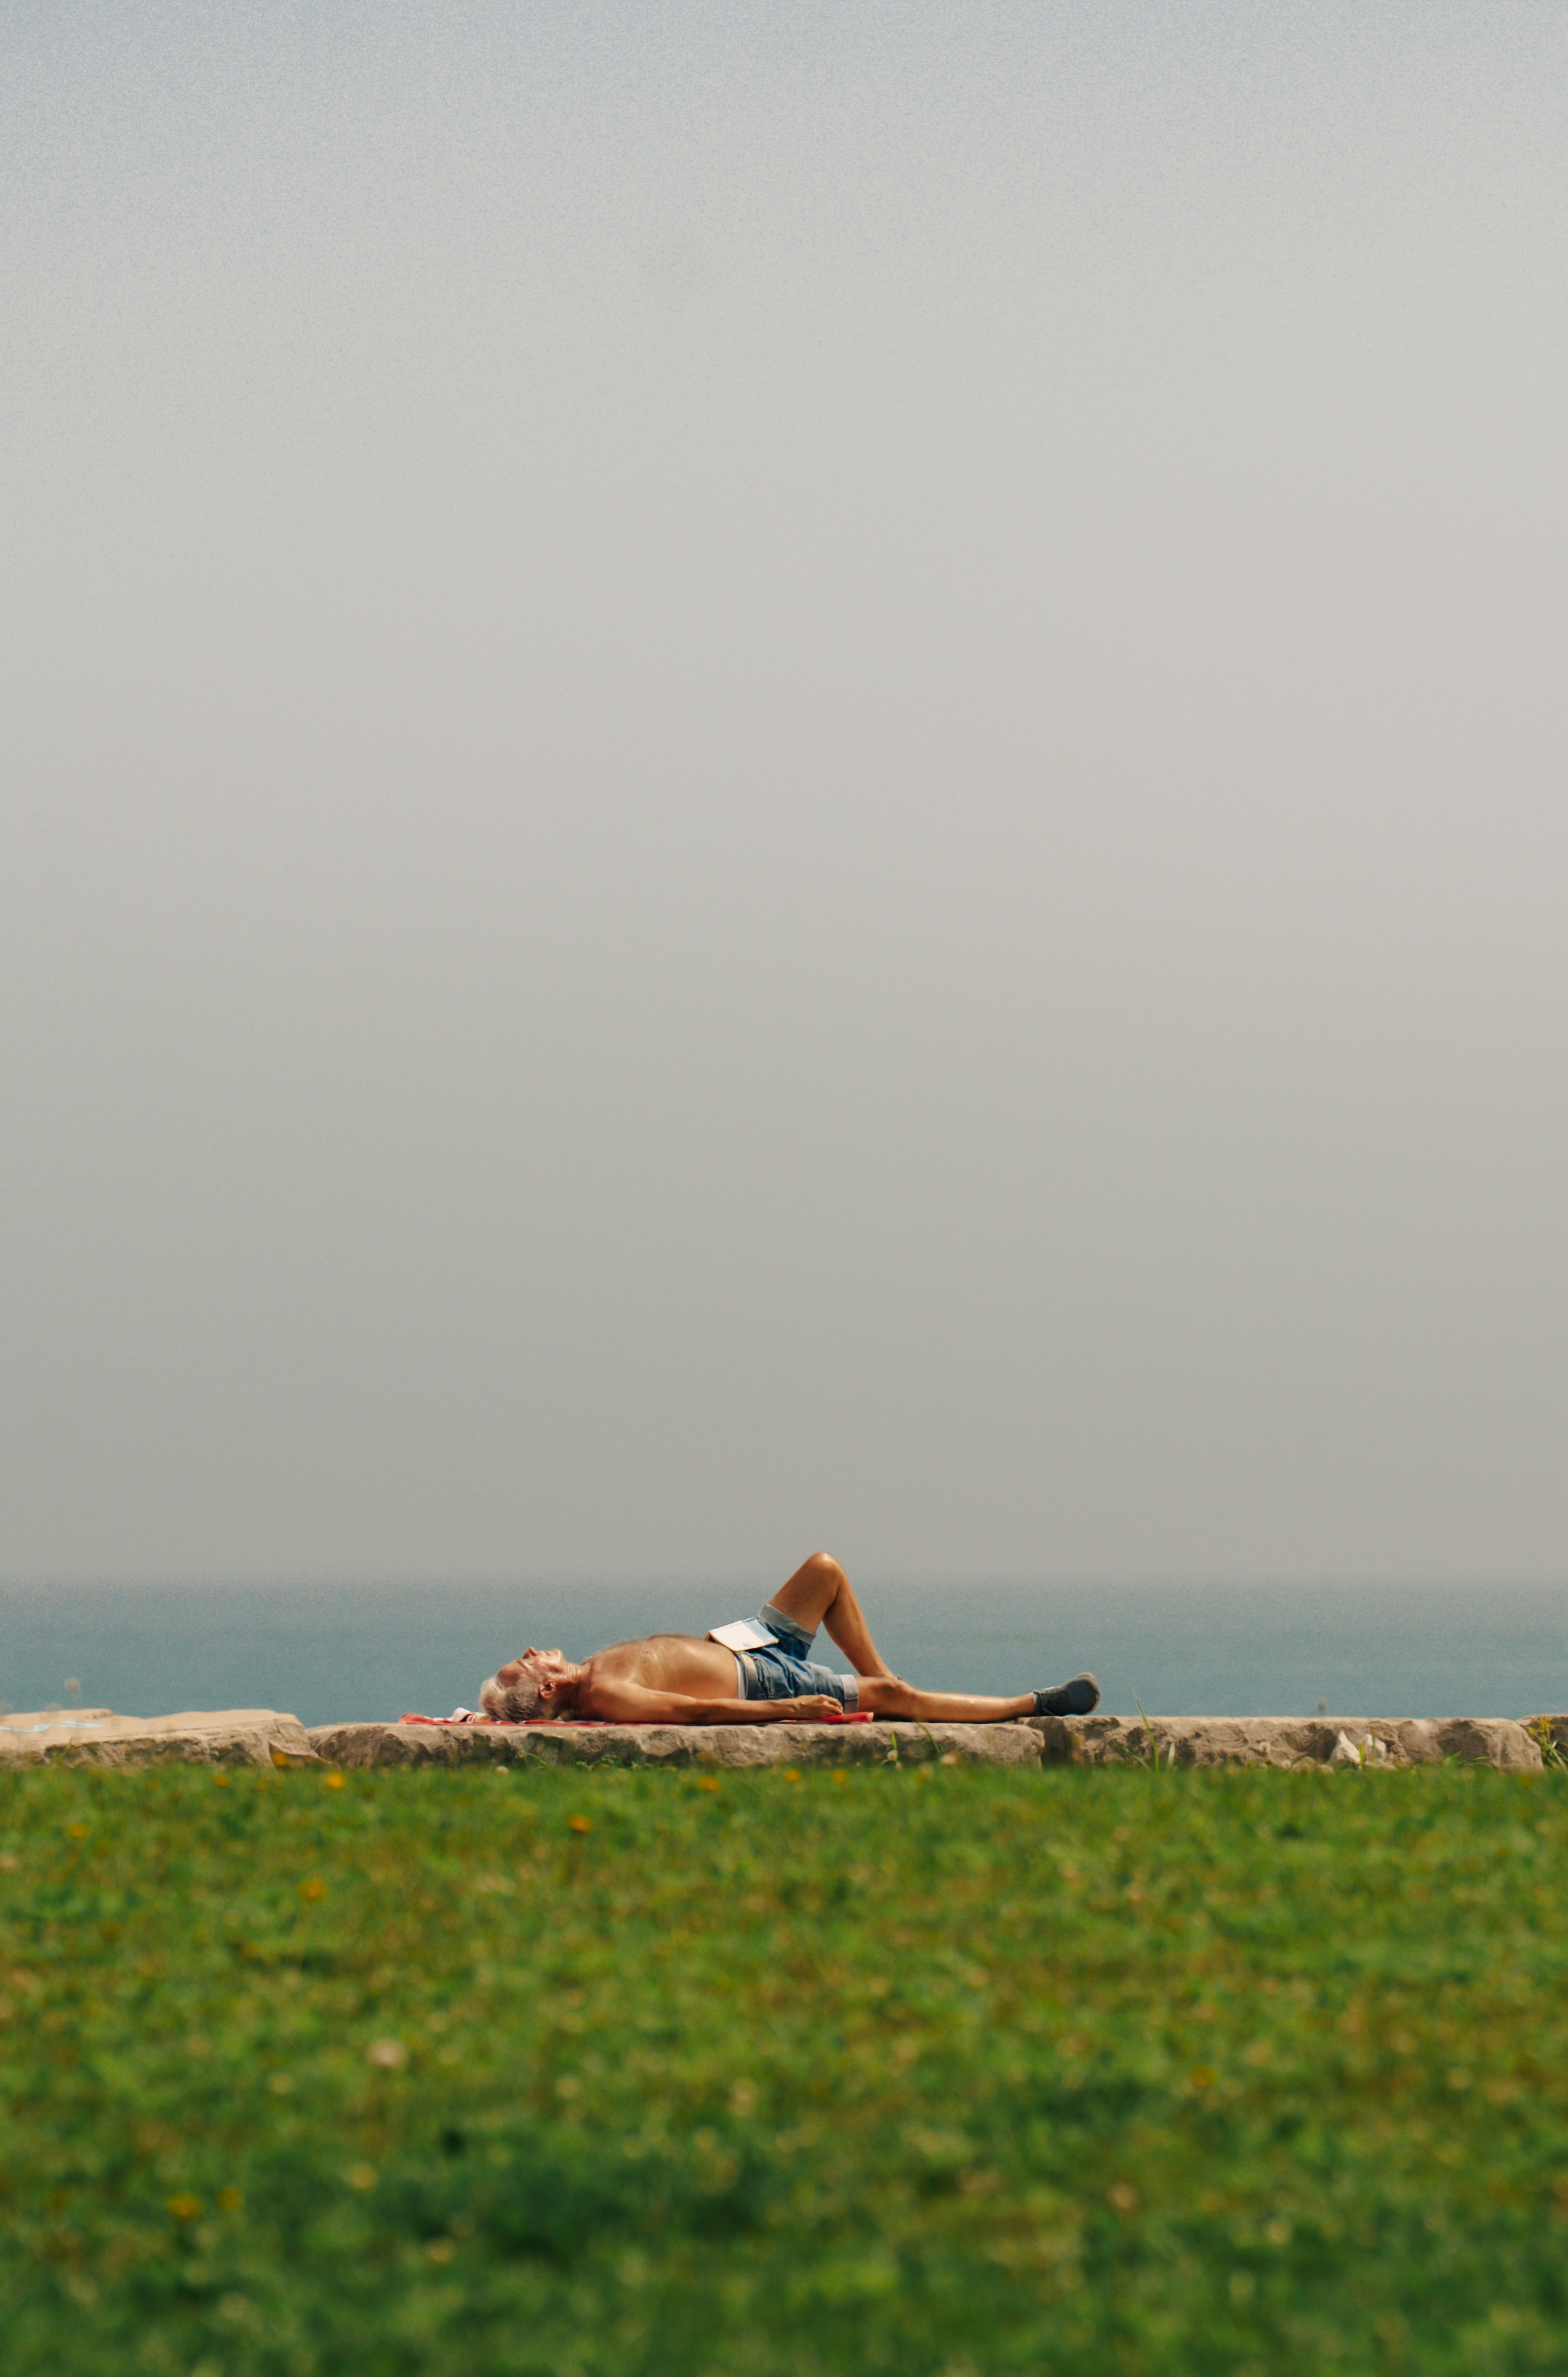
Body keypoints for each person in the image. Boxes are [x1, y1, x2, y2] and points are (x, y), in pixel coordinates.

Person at [479, 1552, 1098, 1727]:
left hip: (748, 1644)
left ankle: (885, 1697)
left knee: (824, 1572)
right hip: (763, 1680)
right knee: (892, 1693)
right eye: (525, 1663)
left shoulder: (589, 1670)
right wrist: (786, 1708)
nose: (533, 1651)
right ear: (549, 1686)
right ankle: (1033, 1705)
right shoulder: (609, 1693)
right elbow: (698, 1711)